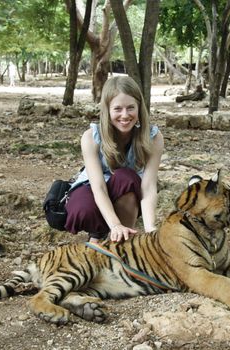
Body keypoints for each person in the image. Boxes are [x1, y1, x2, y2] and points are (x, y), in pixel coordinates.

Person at [64, 76, 164, 243]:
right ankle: (98, 235)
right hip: (93, 188)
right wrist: (115, 224)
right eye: (117, 109)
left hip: (127, 192)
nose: (125, 115)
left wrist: (150, 228)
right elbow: (99, 187)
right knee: (83, 210)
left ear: (139, 107)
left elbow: (147, 187)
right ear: (107, 110)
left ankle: (123, 240)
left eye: (131, 108)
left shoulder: (153, 137)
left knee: (127, 177)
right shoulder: (91, 137)